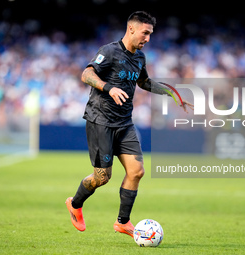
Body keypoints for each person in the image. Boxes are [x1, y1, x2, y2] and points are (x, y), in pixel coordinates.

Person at [65, 11, 193, 237]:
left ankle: (123, 222)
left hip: (124, 123)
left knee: (137, 171)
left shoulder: (140, 58)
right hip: (100, 121)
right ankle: (75, 204)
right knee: (102, 178)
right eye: (145, 33)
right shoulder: (109, 51)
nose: (148, 38)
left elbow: (144, 82)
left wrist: (173, 94)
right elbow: (86, 74)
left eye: (150, 34)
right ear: (131, 29)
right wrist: (108, 88)